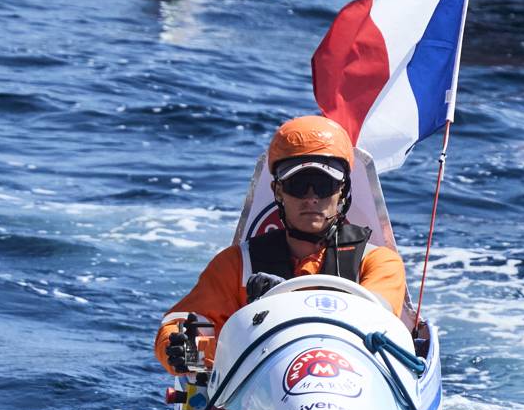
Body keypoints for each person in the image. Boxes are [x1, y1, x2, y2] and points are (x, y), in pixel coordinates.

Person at [156, 115, 408, 376]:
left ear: (342, 192)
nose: (311, 198)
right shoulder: (237, 264)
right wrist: (182, 350)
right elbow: (184, 322)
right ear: (278, 191)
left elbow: (378, 323)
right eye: (298, 185)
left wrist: (286, 303)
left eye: (324, 185)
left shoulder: (379, 263)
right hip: (261, 395)